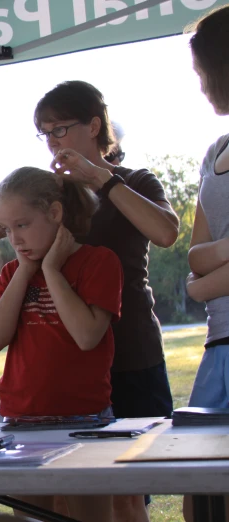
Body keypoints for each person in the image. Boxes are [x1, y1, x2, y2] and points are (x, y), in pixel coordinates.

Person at [0, 80, 179, 522]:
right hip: (57, 373)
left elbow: (167, 232)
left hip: (129, 351)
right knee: (50, 498)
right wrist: (18, 189)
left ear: (94, 125)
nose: (52, 139)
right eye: (45, 131)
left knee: (127, 493)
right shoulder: (52, 192)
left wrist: (104, 180)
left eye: (60, 128)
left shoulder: (133, 180)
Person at [0, 166, 121, 522]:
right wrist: (27, 271)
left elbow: (88, 336)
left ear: (55, 214)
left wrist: (52, 272)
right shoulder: (14, 273)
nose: (14, 238)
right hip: (21, 419)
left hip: (85, 418)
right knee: (32, 517)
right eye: (6, 229)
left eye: (22, 225)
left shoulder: (98, 262)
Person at [183, 5, 229, 521]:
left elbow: (202, 272)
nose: (200, 86)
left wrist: (206, 279)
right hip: (218, 347)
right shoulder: (214, 149)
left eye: (201, 73)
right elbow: (193, 259)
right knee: (196, 491)